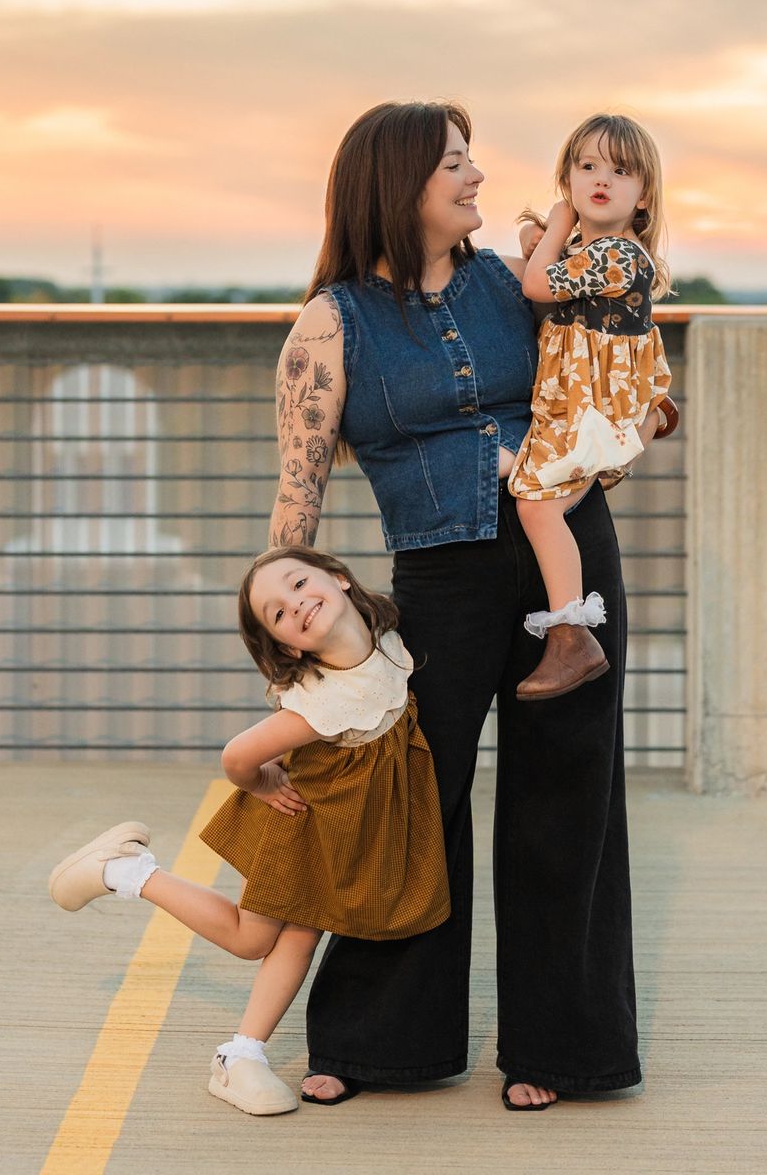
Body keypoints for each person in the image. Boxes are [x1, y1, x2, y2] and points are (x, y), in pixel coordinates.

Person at [269, 100, 641, 1111]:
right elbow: (298, 502)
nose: (476, 179)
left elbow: (593, 376)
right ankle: (379, 1039)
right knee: (411, 803)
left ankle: (563, 1050)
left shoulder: (514, 283)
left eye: (472, 161)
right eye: (455, 165)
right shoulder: (328, 324)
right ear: (399, 186)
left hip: (566, 558)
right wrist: (286, 647)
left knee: (569, 798)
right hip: (438, 575)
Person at [47, 546, 449, 1117]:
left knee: (301, 937)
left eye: (299, 584)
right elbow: (237, 755)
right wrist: (261, 783)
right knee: (251, 939)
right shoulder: (321, 703)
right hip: (304, 823)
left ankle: (243, 1054)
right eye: (279, 613)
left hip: (339, 831)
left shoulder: (385, 638)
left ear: (337, 578)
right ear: (289, 646)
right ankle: (123, 871)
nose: (297, 604)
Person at [507, 114, 678, 700]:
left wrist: (555, 224)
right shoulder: (595, 250)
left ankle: (571, 636)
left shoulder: (618, 256)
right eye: (588, 167)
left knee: (537, 507)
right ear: (569, 175)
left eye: (621, 171)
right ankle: (651, 419)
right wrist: (548, 238)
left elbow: (537, 286)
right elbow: (546, 269)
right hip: (581, 402)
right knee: (522, 477)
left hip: (591, 409)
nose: (602, 179)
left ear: (643, 194)